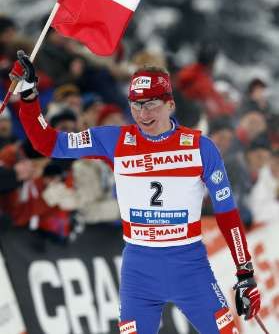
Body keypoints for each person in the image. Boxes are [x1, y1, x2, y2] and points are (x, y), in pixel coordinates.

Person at [9, 51, 261, 334]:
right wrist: (29, 98)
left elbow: (227, 213)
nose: (143, 114)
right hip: (139, 270)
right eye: (136, 105)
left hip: (189, 266)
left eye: (151, 104)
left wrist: (245, 272)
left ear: (170, 104)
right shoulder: (115, 139)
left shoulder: (200, 148)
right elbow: (48, 143)